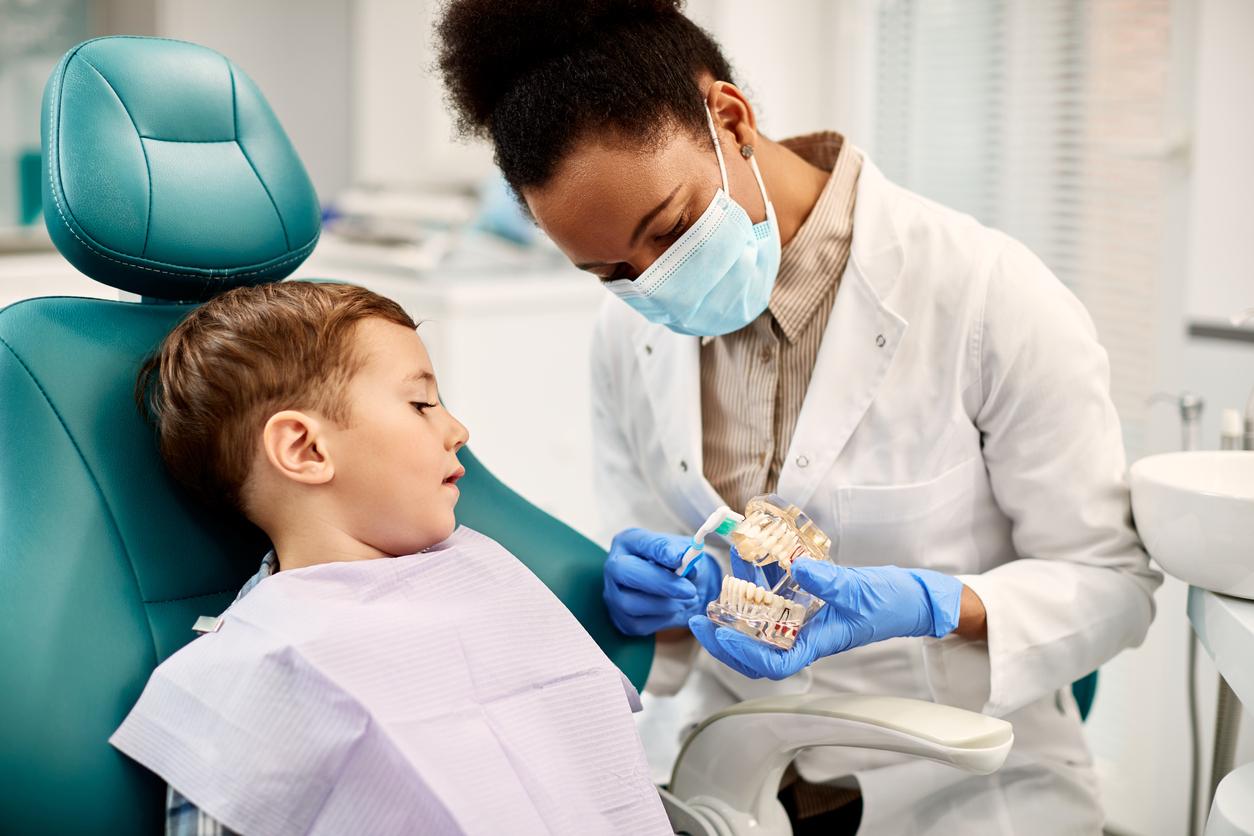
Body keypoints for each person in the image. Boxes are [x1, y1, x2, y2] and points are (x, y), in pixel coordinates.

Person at [434, 1, 1163, 833]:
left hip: (958, 790)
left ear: (732, 119)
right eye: (611, 271)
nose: (655, 283)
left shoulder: (987, 292)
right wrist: (658, 609)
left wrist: (932, 603)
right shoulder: (625, 336)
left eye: (670, 229)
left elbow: (1114, 585)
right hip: (733, 777)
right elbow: (677, 616)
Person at [110, 281, 671, 836]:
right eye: (422, 403)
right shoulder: (249, 673)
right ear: (305, 450)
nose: (457, 430)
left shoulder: (482, 573)